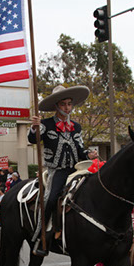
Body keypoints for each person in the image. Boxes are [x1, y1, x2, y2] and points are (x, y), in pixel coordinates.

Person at [29, 85, 98, 252]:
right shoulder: (45, 124)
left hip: (76, 169)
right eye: (63, 104)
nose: (67, 107)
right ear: (56, 106)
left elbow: (80, 149)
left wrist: (89, 155)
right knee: (51, 199)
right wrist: (34, 127)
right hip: (58, 171)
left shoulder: (77, 127)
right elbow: (33, 139)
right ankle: (42, 236)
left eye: (69, 104)